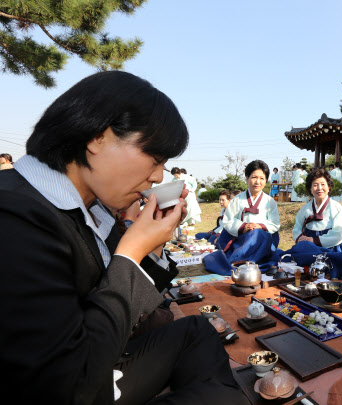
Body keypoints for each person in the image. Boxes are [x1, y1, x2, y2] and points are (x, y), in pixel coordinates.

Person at [0, 71, 247, 404]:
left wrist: (153, 247)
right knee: (224, 399)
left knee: (197, 331)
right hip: (76, 383)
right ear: (98, 137)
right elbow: (70, 385)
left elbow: (126, 300)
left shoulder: (87, 211)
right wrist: (130, 254)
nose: (158, 175)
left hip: (100, 365)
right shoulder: (15, 216)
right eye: (155, 157)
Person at [204, 160, 281, 275]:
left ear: (266, 181)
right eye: (254, 177)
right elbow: (228, 220)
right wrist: (243, 227)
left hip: (262, 239)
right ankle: (243, 261)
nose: (257, 182)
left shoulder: (270, 202)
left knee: (258, 234)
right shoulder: (237, 199)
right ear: (247, 178)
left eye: (262, 178)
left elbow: (275, 223)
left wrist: (259, 226)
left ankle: (241, 261)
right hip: (241, 239)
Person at [277, 168, 342, 279]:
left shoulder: (337, 208)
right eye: (315, 185)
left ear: (329, 187)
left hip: (329, 248)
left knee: (299, 252)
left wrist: (314, 240)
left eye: (323, 184)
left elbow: (338, 234)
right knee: (300, 247)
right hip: (307, 245)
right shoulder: (305, 209)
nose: (319, 188)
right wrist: (300, 238)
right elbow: (297, 228)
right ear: (310, 189)